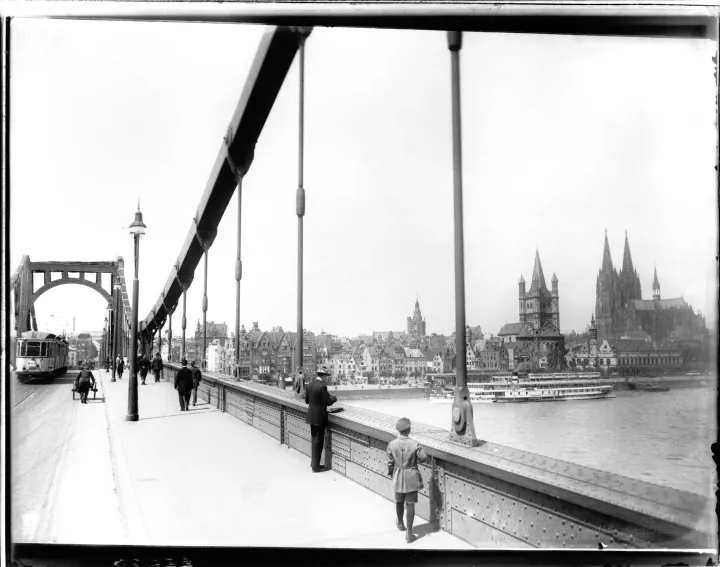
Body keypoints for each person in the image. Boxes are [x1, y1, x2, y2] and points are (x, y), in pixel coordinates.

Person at [387, 417, 428, 544]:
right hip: (411, 476)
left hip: (398, 475)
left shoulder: (392, 444)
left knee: (399, 502)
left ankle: (400, 523)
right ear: (409, 429)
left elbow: (390, 463)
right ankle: (409, 534)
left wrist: (390, 473)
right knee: (410, 504)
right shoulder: (415, 444)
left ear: (398, 430)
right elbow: (423, 458)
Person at [304, 364, 337, 473]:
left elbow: (307, 401)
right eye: (326, 377)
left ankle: (314, 463)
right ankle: (316, 467)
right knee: (319, 442)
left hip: (311, 417)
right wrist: (334, 398)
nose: (326, 379)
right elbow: (328, 401)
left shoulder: (309, 385)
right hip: (319, 418)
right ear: (323, 376)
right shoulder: (322, 387)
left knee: (314, 440)